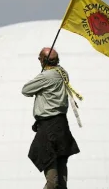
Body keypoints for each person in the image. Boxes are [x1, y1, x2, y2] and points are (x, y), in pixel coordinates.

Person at [21, 47, 80, 189]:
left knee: (51, 169)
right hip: (61, 124)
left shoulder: (46, 76)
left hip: (48, 127)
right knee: (61, 169)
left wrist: (42, 75)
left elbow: (26, 90)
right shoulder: (62, 73)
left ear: (43, 61)